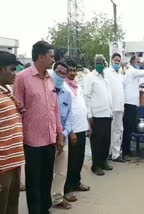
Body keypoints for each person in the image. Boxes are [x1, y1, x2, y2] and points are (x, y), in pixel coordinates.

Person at [14, 41, 64, 214]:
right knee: (33, 180)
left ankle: (45, 208)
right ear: (41, 57)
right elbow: (17, 110)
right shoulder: (23, 78)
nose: (53, 59)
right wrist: (18, 139)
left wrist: (59, 133)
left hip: (50, 138)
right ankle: (35, 210)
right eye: (51, 56)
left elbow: (55, 108)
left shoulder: (50, 78)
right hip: (32, 140)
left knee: (46, 177)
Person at [0, 51, 24, 214]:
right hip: (3, 164)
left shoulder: (7, 92)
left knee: (12, 202)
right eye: (12, 69)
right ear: (1, 69)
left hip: (14, 160)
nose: (15, 73)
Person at [63, 59, 91, 197]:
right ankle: (67, 188)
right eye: (70, 70)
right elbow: (65, 112)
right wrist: (71, 131)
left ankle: (76, 182)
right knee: (70, 160)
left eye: (74, 70)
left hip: (82, 127)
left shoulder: (77, 86)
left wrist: (87, 124)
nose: (73, 73)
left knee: (79, 158)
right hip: (71, 130)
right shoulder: (63, 87)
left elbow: (82, 106)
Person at [84, 54, 113, 176]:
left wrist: (111, 112)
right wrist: (89, 115)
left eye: (101, 63)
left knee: (106, 140)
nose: (99, 65)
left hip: (107, 114)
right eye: (97, 63)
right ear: (94, 64)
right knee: (97, 142)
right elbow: (87, 96)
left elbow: (108, 95)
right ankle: (95, 166)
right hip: (96, 115)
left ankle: (103, 162)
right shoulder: (90, 77)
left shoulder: (106, 76)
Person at [50, 62, 74, 209]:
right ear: (53, 71)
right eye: (58, 72)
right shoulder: (47, 90)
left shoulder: (67, 94)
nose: (60, 75)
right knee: (46, 172)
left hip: (62, 138)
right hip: (47, 138)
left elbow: (70, 117)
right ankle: (43, 200)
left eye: (63, 73)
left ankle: (57, 198)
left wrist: (64, 134)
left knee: (61, 171)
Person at [106, 53, 126, 162]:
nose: (117, 62)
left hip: (120, 107)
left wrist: (123, 105)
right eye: (115, 60)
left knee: (119, 131)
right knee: (110, 131)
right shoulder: (107, 72)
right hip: (110, 107)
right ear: (111, 60)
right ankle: (109, 153)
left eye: (119, 60)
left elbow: (121, 91)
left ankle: (116, 154)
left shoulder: (120, 74)